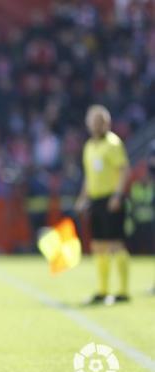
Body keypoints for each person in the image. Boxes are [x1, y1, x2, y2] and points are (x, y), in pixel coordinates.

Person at [75, 105, 131, 305]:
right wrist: (83, 198)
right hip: (96, 200)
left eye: (100, 121)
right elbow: (89, 177)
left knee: (116, 244)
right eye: (94, 121)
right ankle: (102, 290)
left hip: (111, 199)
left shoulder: (113, 144)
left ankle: (123, 291)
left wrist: (117, 195)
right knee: (98, 245)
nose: (97, 124)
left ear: (107, 123)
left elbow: (124, 170)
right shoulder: (89, 146)